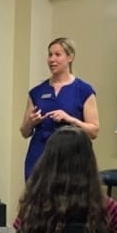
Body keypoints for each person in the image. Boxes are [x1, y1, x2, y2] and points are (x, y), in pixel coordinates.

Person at [20, 37, 99, 180]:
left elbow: (94, 131)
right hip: (40, 154)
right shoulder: (37, 92)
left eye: (57, 54)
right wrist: (31, 122)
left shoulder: (84, 90)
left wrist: (70, 119)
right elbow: (24, 132)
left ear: (70, 57)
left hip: (71, 155)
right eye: (50, 55)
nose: (52, 59)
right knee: (37, 198)